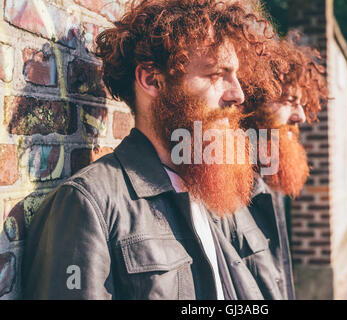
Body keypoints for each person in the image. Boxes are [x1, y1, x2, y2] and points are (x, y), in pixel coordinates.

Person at [21, 0, 279, 299]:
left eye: (235, 76)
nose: (238, 94)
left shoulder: (210, 188)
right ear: (152, 80)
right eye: (215, 75)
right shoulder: (88, 205)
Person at [221, 38, 329, 299]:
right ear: (251, 100)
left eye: (302, 104)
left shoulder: (268, 175)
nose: (301, 117)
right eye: (290, 101)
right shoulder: (222, 188)